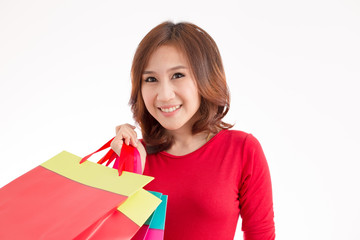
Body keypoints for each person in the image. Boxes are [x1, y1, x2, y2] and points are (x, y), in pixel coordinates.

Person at [111, 21, 275, 240]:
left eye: (177, 75)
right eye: (151, 79)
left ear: (204, 77)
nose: (164, 95)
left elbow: (261, 236)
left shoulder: (243, 150)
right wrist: (130, 173)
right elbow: (113, 234)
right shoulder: (133, 157)